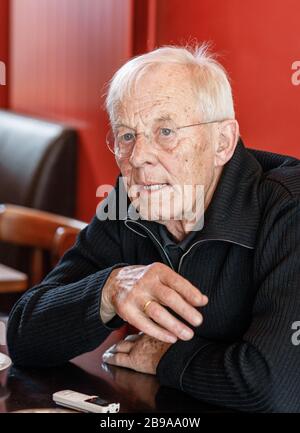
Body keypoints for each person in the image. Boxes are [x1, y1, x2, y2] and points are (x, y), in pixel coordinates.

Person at [7, 45, 300, 412]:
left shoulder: (289, 207)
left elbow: (276, 387)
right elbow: (24, 336)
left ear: (222, 143)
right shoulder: (133, 200)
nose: (139, 157)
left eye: (165, 131)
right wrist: (111, 289)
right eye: (126, 136)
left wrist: (164, 358)